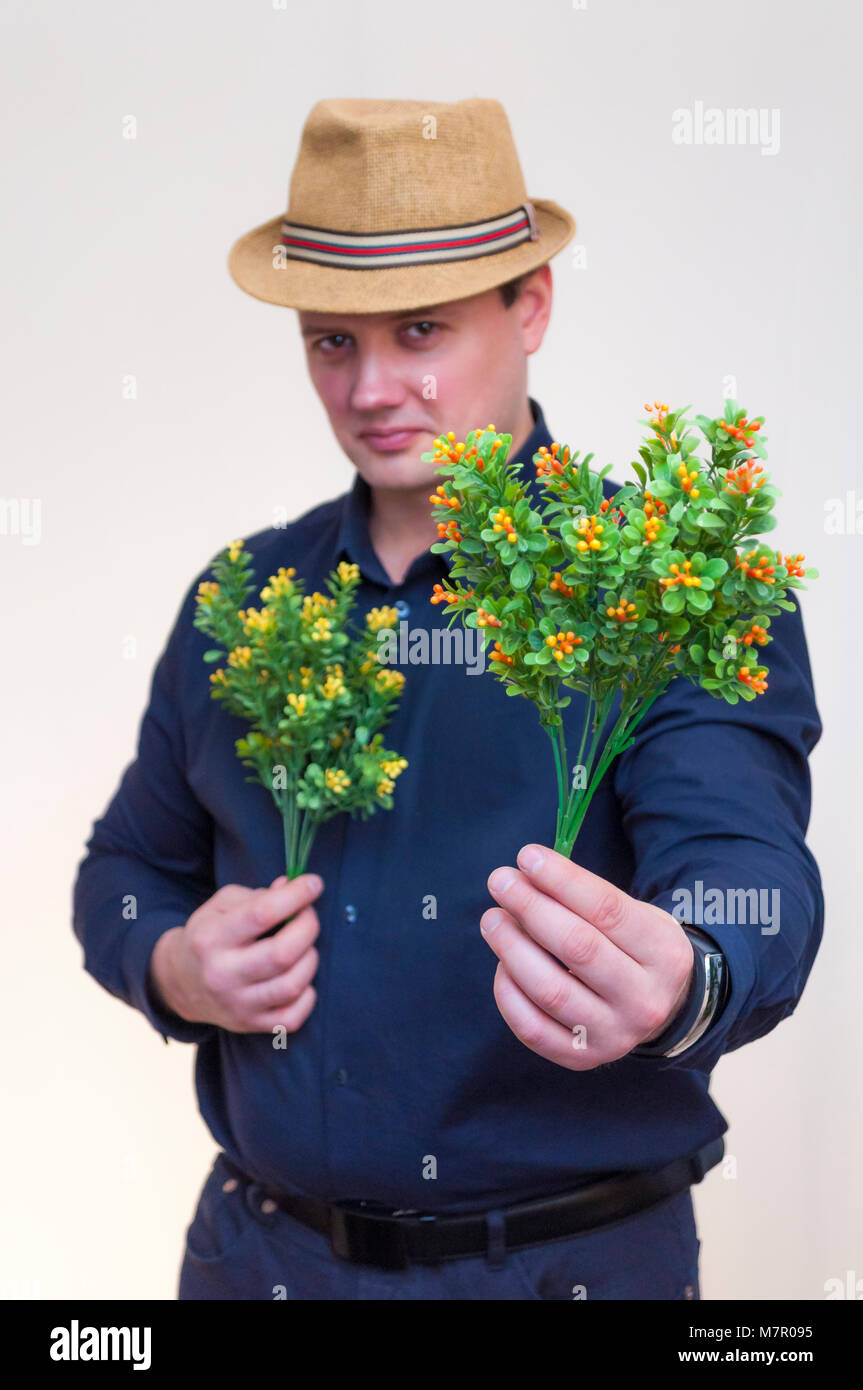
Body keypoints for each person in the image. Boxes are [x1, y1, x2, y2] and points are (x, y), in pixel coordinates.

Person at [72, 97, 824, 1301]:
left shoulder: (668, 583)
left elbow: (745, 865)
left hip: (560, 1272)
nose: (371, 388)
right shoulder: (244, 596)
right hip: (256, 1261)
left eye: (418, 330)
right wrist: (170, 963)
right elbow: (123, 867)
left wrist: (690, 973)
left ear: (529, 304)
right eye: (331, 342)